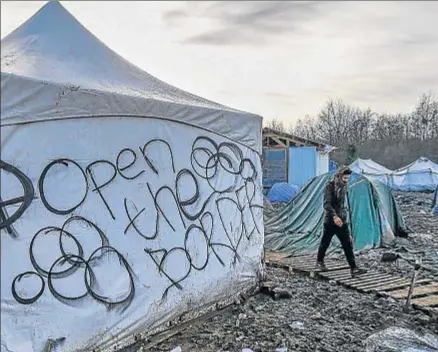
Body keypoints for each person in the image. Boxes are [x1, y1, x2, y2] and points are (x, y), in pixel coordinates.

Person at [316, 166, 367, 277]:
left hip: (342, 220)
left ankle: (354, 268)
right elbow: (327, 204)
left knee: (347, 244)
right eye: (344, 178)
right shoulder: (329, 187)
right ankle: (319, 261)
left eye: (347, 178)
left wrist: (343, 218)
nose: (346, 180)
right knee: (325, 242)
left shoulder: (343, 187)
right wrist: (334, 216)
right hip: (330, 220)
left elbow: (342, 205)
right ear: (339, 176)